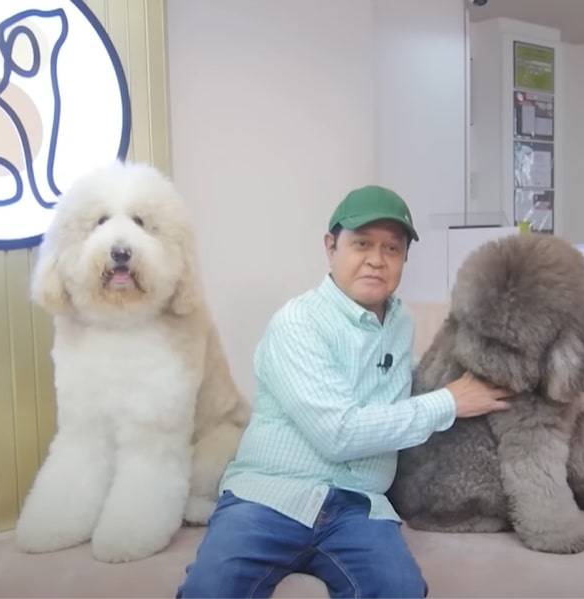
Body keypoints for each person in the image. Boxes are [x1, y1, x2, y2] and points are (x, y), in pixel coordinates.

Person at [177, 185, 511, 598]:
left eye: (392, 248)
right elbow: (338, 433)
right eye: (362, 244)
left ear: (404, 258)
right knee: (211, 590)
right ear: (330, 247)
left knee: (401, 591)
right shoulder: (298, 323)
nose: (376, 259)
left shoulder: (400, 322)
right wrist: (450, 402)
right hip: (268, 499)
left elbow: (399, 387)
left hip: (359, 508)